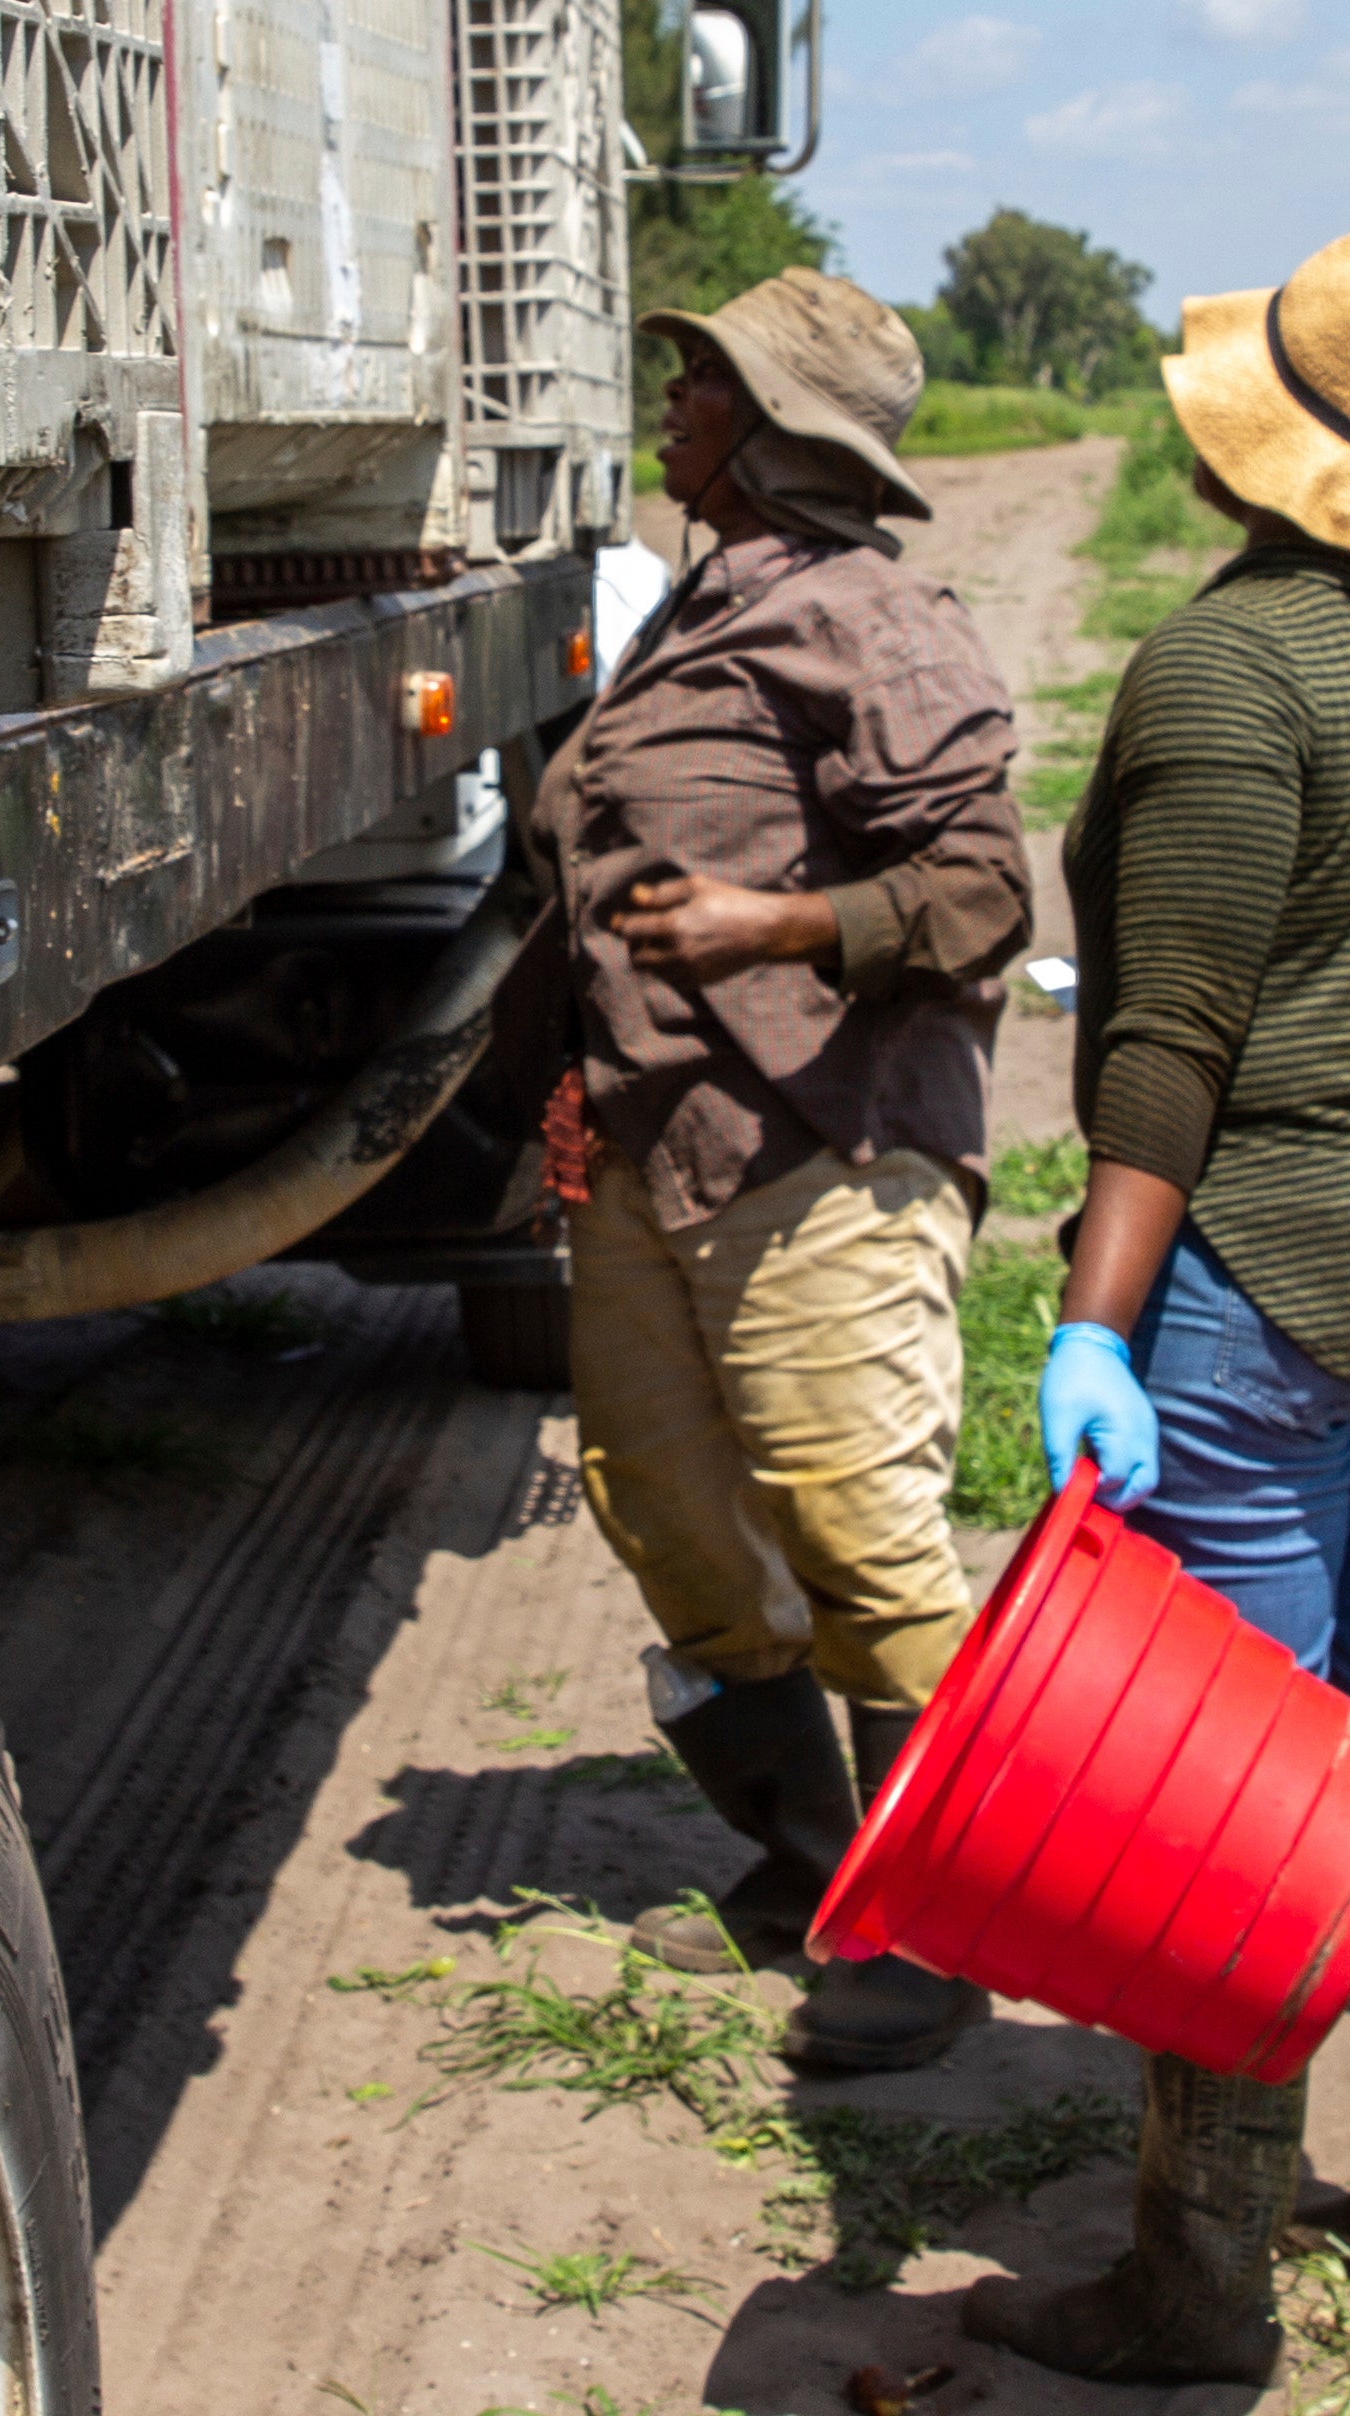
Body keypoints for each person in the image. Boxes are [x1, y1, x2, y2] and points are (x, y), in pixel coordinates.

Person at [964, 230, 1350, 2389]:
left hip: (1268, 1279)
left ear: (1270, 449)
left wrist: (1094, 1314)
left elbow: (1174, 1044)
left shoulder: (1232, 674)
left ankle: (1196, 2288)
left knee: (1230, 1793)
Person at [533, 267, 1033, 2076]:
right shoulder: (698, 611)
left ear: (773, 430)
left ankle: (934, 1930)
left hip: (824, 1147)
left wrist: (783, 917)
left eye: (702, 384)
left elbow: (985, 891)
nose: (671, 406)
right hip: (656, 1150)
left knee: (857, 1536)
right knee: (666, 1515)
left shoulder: (866, 617)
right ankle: (817, 1869)